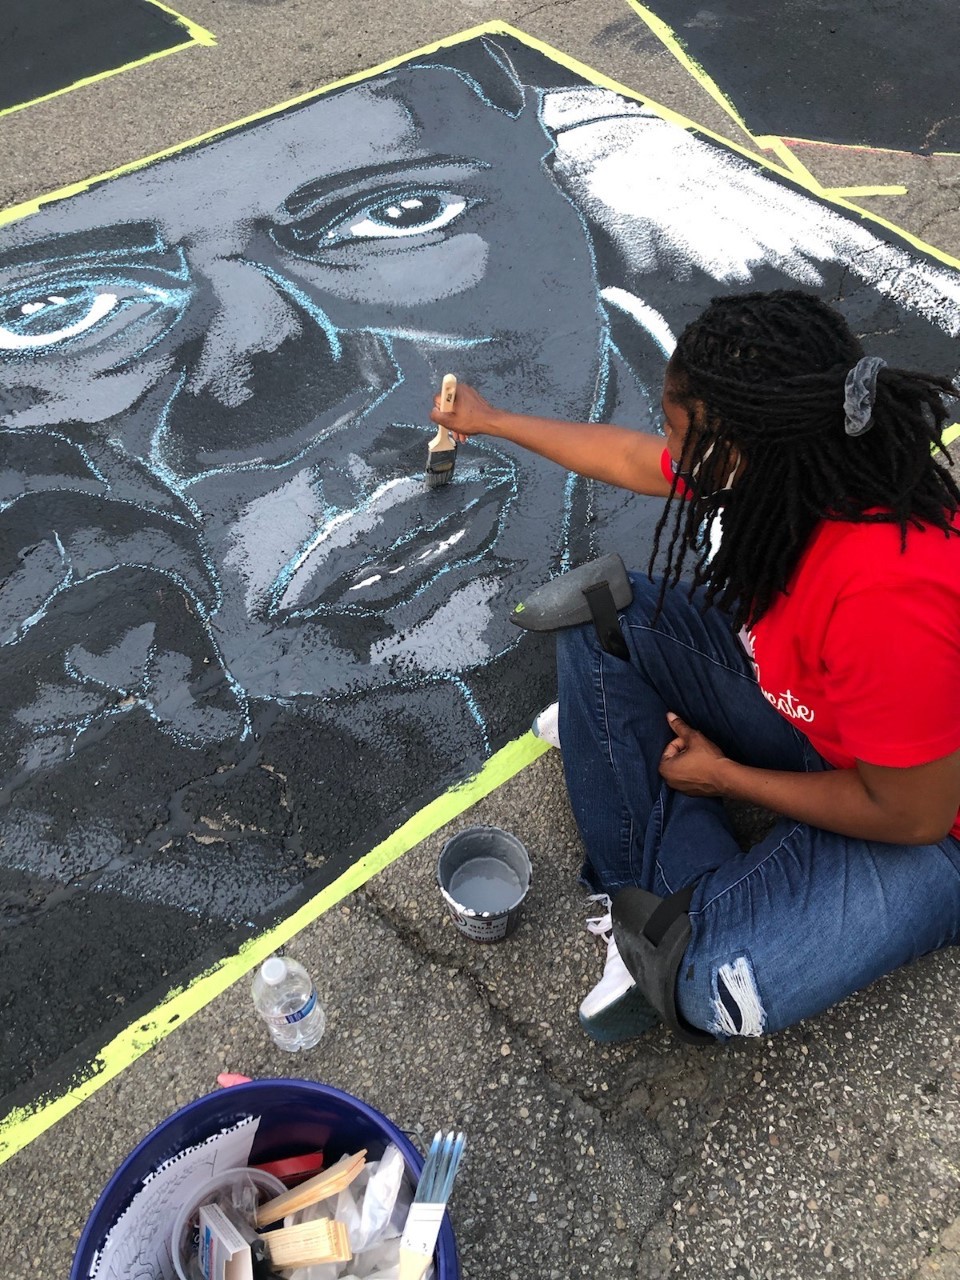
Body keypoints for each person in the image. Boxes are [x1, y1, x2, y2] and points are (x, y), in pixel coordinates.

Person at [430, 288, 960, 1045]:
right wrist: (490, 421)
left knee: (709, 983)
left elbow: (913, 815)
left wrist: (725, 778)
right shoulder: (782, 469)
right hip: (827, 724)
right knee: (599, 609)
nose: (670, 453)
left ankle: (640, 840)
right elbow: (626, 456)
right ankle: (642, 868)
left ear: (739, 447)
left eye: (680, 434)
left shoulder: (887, 595)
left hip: (932, 830)